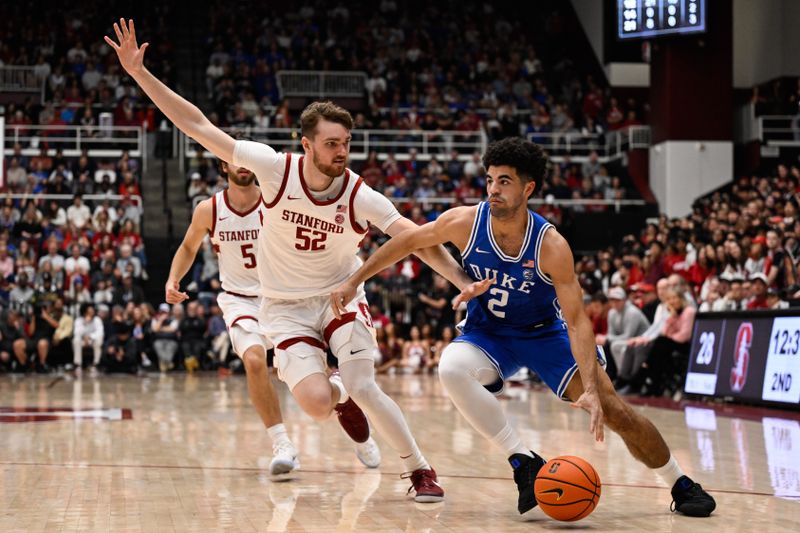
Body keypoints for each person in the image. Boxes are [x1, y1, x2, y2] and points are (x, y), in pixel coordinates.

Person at [106, 19, 464, 501]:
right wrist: (140, 75)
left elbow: (416, 238)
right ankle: (337, 395)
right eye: (332, 143)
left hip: (340, 298)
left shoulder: (360, 194)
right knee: (318, 404)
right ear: (307, 144)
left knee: (364, 383)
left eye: (347, 143)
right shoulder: (275, 170)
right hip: (283, 306)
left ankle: (419, 469)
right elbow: (198, 125)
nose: (342, 152)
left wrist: (461, 279)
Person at [331, 137, 716, 517]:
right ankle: (523, 462)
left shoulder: (551, 245)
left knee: (616, 411)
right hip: (489, 333)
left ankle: (680, 482)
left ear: (528, 188)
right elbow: (408, 240)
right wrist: (354, 280)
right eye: (490, 180)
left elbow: (579, 322)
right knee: (450, 367)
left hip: (544, 333)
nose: (493, 190)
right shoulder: (466, 221)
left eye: (504, 181)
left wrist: (593, 389)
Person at [164, 140, 304, 478]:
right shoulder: (208, 209)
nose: (242, 165)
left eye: (247, 160)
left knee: (305, 379)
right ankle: (282, 443)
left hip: (283, 296)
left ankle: (351, 418)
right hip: (239, 298)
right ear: (223, 166)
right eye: (233, 160)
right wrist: (173, 280)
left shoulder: (276, 201)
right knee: (254, 360)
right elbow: (187, 246)